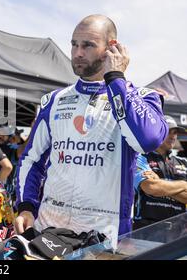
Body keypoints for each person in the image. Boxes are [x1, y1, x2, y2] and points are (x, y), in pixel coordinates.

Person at [15, 14, 168, 246]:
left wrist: (116, 78)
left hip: (103, 239)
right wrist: (26, 206)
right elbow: (32, 160)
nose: (77, 52)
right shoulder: (54, 100)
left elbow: (146, 140)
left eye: (88, 45)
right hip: (47, 231)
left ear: (111, 48)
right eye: (74, 44)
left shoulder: (141, 97)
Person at [133, 115, 187, 230]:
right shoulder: (140, 157)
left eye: (175, 132)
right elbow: (151, 187)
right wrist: (183, 185)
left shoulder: (184, 162)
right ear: (158, 132)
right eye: (169, 131)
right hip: (145, 230)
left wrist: (160, 183)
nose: (173, 136)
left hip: (179, 232)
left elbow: (157, 188)